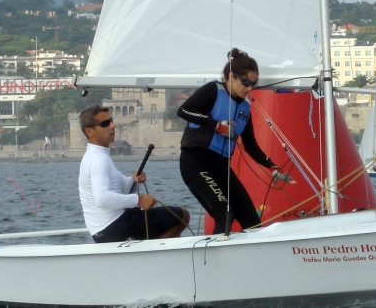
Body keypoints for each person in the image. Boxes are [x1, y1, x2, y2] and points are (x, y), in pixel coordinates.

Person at [178, 48, 295, 235]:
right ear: (231, 76)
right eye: (246, 82)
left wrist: (272, 167)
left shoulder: (245, 108)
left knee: (251, 220)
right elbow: (183, 111)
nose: (249, 88)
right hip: (196, 162)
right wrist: (216, 125)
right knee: (224, 214)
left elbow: (251, 146)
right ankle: (213, 260)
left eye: (253, 84)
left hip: (221, 166)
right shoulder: (213, 90)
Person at [78, 105, 190, 243]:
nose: (113, 125)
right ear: (89, 131)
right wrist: (138, 199)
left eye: (111, 121)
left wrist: (133, 179)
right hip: (112, 227)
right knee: (182, 215)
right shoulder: (98, 160)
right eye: (105, 123)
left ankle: (153, 251)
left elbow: (121, 189)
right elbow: (102, 198)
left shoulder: (97, 155)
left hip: (106, 228)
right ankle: (155, 254)